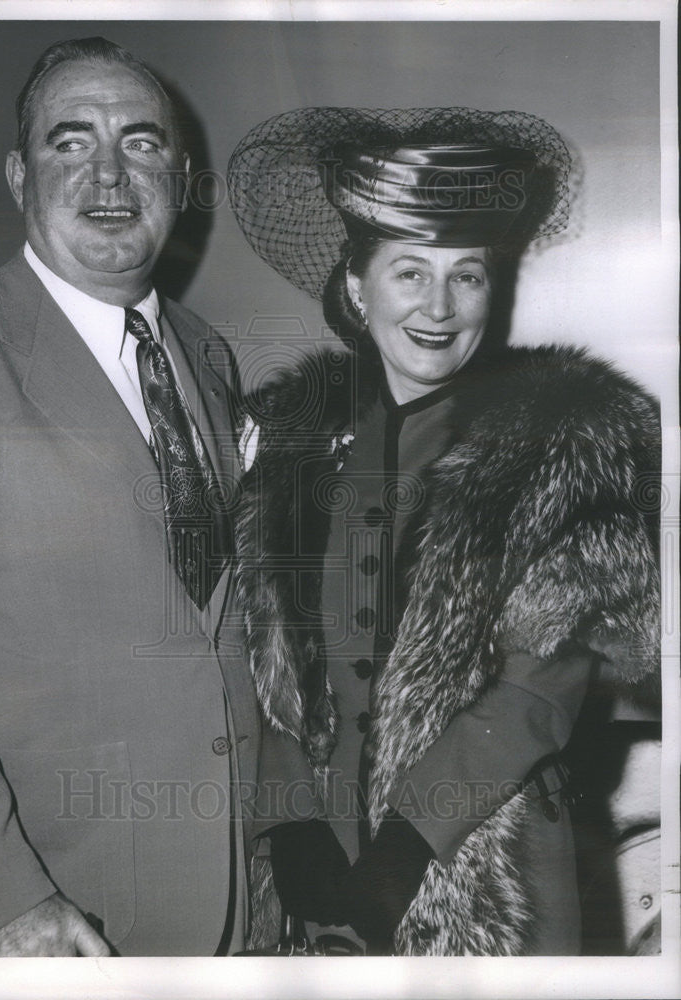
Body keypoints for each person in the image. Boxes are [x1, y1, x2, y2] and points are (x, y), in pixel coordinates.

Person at [227, 107, 661, 955]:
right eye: (410, 273)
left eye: (467, 275)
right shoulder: (291, 440)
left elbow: (541, 689)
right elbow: (265, 654)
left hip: (485, 864)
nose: (440, 305)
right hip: (324, 868)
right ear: (357, 288)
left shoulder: (566, 437)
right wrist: (290, 819)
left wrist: (406, 847)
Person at [0, 37, 260, 957]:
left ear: (178, 177)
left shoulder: (208, 356)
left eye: (141, 142)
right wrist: (4, 903)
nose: (110, 172)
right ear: (21, 174)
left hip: (242, 905)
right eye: (72, 141)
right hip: (61, 914)